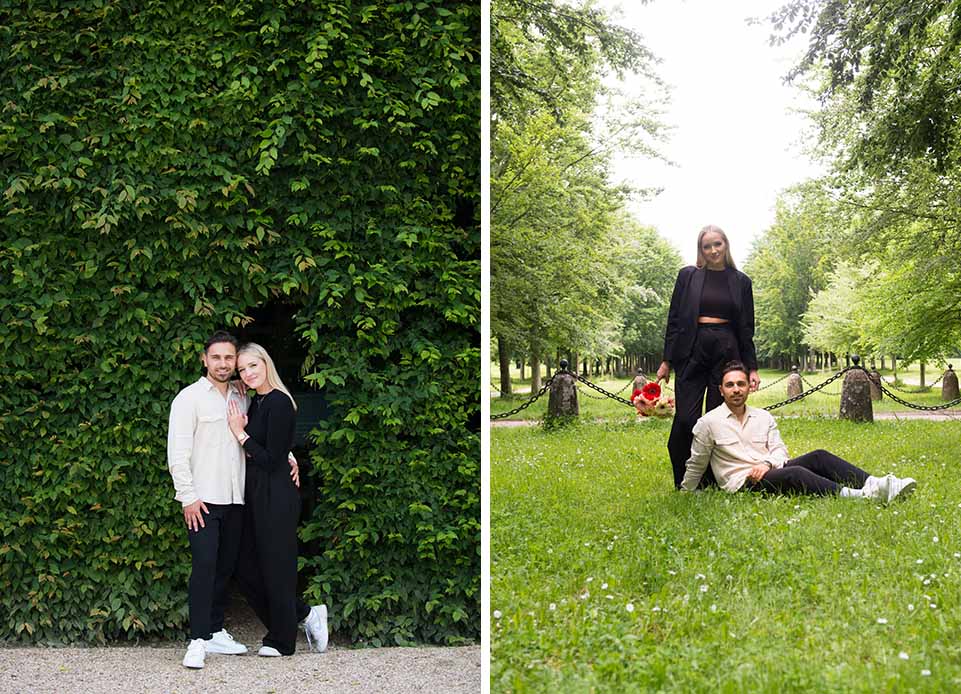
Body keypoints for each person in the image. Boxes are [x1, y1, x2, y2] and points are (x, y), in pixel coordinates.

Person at [167, 331, 315, 669]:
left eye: (229, 358)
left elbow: (265, 433)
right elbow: (177, 454)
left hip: (238, 499)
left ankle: (215, 630)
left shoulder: (241, 394)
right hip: (203, 499)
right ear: (205, 359)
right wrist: (187, 497)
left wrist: (287, 454)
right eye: (216, 357)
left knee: (227, 568)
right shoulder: (188, 399)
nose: (223, 364)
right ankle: (197, 641)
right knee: (204, 567)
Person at [680, 361, 917, 501]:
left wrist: (767, 463)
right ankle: (860, 496)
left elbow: (779, 450)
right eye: (729, 385)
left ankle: (877, 483)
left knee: (818, 456)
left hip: (770, 469)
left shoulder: (763, 417)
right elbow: (697, 462)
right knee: (795, 474)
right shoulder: (708, 422)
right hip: (742, 482)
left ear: (748, 388)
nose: (736, 390)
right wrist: (686, 491)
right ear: (721, 390)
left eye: (740, 384)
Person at [227, 342, 328, 657]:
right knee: (245, 567)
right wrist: (286, 451)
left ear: (265, 362)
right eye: (242, 369)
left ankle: (282, 641)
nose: (248, 373)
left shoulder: (280, 402)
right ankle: (304, 614)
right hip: (256, 493)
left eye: (252, 366)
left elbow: (270, 459)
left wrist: (239, 434)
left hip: (276, 494)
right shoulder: (258, 402)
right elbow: (276, 444)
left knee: (277, 567)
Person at [657, 225, 760, 489]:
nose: (713, 250)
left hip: (727, 350)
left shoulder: (741, 281)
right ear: (700, 249)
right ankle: (684, 480)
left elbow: (747, 328)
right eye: (707, 246)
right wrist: (667, 360)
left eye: (718, 244)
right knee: (685, 419)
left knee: (718, 419)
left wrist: (751, 368)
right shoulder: (688, 276)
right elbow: (675, 319)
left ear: (726, 245)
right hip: (691, 348)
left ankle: (713, 480)